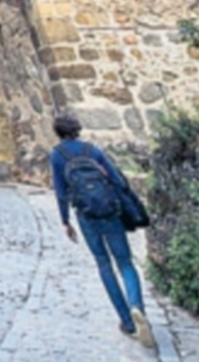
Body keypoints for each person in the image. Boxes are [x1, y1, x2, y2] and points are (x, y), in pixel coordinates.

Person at [50, 113, 155, 349]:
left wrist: (65, 220)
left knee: (103, 264)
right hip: (109, 211)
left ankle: (127, 322)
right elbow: (117, 180)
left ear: (57, 132)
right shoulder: (93, 150)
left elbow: (60, 190)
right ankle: (137, 307)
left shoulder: (57, 155)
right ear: (77, 129)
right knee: (126, 263)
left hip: (86, 215)